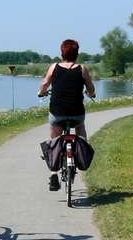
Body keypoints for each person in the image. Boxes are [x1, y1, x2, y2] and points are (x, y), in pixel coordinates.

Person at [38, 39, 96, 191]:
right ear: (77, 53)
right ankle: (83, 151)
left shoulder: (53, 67)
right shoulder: (82, 69)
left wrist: (41, 92)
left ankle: (53, 173)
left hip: (57, 113)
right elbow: (90, 88)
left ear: (61, 52)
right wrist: (91, 93)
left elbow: (44, 84)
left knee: (55, 138)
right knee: (80, 129)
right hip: (76, 114)